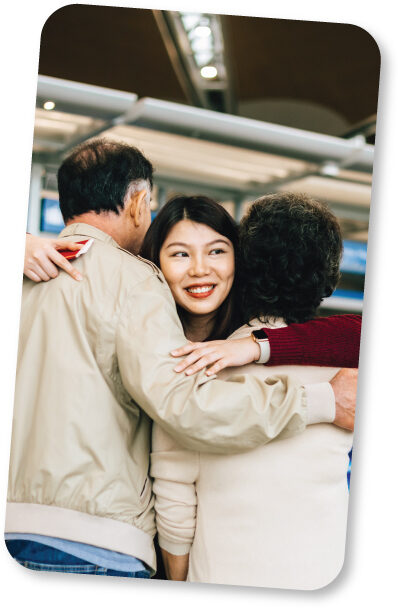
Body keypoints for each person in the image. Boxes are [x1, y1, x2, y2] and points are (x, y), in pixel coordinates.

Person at [5, 139, 356, 579]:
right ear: (138, 203)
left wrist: (257, 345)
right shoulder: (134, 282)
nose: (199, 269)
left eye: (215, 251)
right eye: (179, 253)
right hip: (99, 545)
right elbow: (184, 409)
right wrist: (322, 401)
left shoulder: (27, 271)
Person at [150, 193, 355, 589]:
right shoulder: (349, 376)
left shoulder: (196, 369)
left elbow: (175, 506)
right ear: (329, 278)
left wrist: (179, 583)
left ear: (243, 265)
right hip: (323, 578)